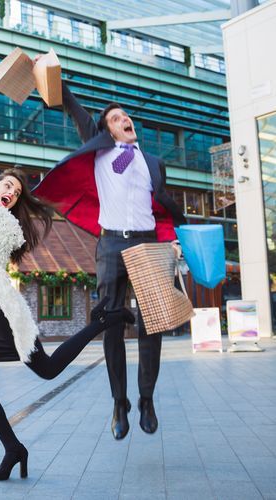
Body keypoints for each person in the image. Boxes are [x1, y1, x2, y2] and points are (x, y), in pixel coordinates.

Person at [0, 122, 134, 481]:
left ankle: (105, 320)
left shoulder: (5, 226)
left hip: (3, 317)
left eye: (15, 192)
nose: (11, 193)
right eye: (6, 186)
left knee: (47, 371)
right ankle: (14, 450)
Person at [32, 76, 187, 440]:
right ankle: (120, 402)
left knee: (154, 323)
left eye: (126, 116)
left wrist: (173, 240)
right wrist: (53, 75)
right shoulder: (99, 151)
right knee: (110, 323)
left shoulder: (153, 162)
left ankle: (146, 399)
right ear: (106, 129)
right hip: (112, 245)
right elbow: (74, 109)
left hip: (148, 243)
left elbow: (160, 206)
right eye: (116, 118)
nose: (124, 119)